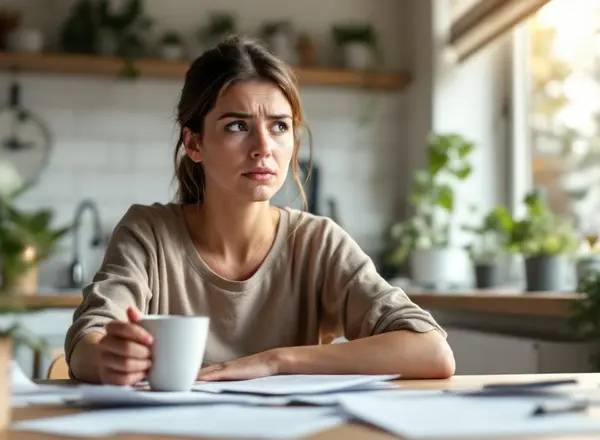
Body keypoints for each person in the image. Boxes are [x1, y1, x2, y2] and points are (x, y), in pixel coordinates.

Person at [64, 35, 455, 385]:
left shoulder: (318, 242)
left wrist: (277, 361)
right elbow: (88, 342)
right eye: (237, 126)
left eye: (280, 126)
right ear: (194, 143)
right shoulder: (148, 232)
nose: (263, 147)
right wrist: (108, 357)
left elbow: (432, 351)